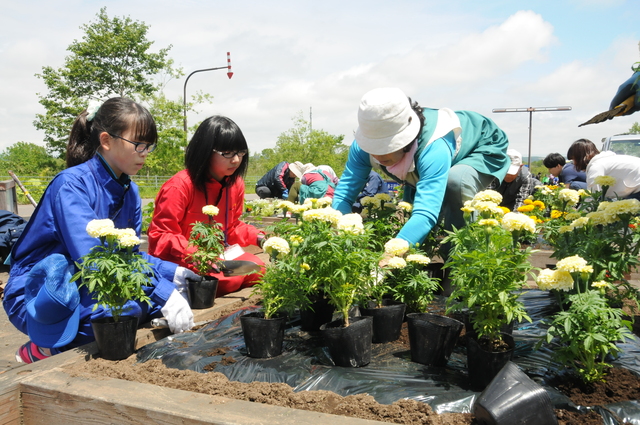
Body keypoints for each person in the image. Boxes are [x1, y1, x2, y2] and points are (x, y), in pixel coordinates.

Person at [3, 97, 199, 363]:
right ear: (106, 141)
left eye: (149, 146)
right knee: (114, 314)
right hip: (40, 287)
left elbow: (126, 257)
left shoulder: (130, 191)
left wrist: (171, 273)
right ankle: (44, 349)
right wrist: (163, 292)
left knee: (143, 307)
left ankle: (59, 338)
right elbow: (94, 258)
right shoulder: (71, 185)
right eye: (138, 144)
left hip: (81, 280)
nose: (145, 153)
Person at [331, 87, 510, 247]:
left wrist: (390, 257)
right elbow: (344, 194)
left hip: (481, 145)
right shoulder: (361, 148)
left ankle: (459, 259)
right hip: (425, 157)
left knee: (456, 182)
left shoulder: (434, 147)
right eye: (374, 147)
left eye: (387, 147)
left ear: (406, 138)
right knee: (414, 221)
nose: (378, 156)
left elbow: (426, 212)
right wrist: (342, 238)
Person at [147, 116, 265, 297]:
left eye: (240, 153)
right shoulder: (179, 186)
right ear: (205, 151)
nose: (236, 160)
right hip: (181, 260)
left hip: (216, 258)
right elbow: (161, 236)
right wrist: (198, 255)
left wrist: (260, 238)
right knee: (229, 279)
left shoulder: (236, 184)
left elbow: (231, 228)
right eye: (227, 153)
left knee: (259, 268)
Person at [567, 138, 640, 200]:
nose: (574, 163)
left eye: (573, 159)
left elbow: (593, 196)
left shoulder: (596, 166)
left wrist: (581, 214)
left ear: (580, 157)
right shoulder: (605, 161)